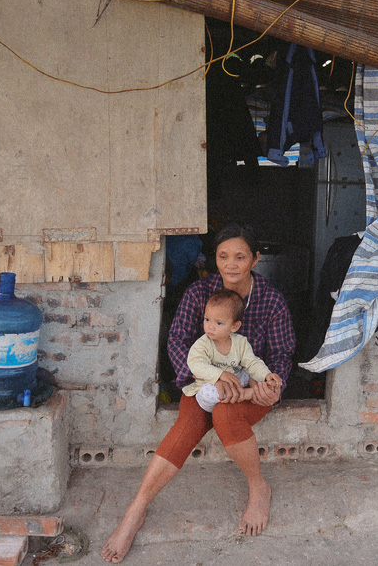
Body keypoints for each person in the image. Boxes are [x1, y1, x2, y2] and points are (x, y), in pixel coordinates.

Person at [101, 224, 296, 563]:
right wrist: (212, 378)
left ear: (255, 259)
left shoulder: (271, 300)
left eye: (240, 257)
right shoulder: (199, 293)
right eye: (223, 256)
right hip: (204, 382)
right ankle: (136, 509)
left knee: (226, 413)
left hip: (251, 388)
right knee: (188, 424)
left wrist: (270, 385)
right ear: (215, 259)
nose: (231, 264)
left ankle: (258, 487)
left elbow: (281, 353)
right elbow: (177, 341)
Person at [186, 288, 282, 412]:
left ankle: (257, 390)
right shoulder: (202, 344)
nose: (210, 326)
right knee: (206, 393)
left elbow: (252, 362)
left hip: (235, 380)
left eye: (219, 323)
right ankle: (247, 394)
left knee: (252, 371)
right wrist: (220, 375)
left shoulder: (240, 342)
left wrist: (266, 375)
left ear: (234, 326)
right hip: (212, 385)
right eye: (207, 319)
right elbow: (196, 365)